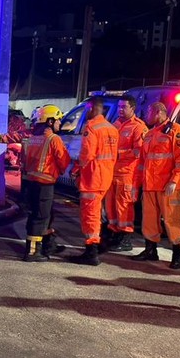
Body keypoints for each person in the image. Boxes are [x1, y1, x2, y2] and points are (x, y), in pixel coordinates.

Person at [0, 106, 71, 261]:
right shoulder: (53, 139)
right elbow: (63, 161)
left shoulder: (30, 136)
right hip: (45, 184)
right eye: (58, 119)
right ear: (49, 121)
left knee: (42, 215)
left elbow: (9, 138)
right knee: (40, 217)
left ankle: (47, 245)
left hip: (30, 183)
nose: (60, 122)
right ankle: (33, 251)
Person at [132, 102, 180, 269]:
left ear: (158, 112)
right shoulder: (150, 134)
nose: (146, 115)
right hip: (150, 186)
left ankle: (177, 254)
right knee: (149, 220)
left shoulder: (176, 132)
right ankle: (151, 250)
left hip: (167, 186)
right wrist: (139, 184)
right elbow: (143, 163)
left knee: (172, 220)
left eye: (148, 111)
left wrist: (174, 180)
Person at [68, 96, 119, 266]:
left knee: (90, 214)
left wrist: (75, 171)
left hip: (92, 178)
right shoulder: (112, 129)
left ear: (91, 108)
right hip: (105, 177)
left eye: (87, 109)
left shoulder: (92, 128)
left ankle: (91, 252)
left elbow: (86, 155)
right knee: (97, 213)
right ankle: (99, 243)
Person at [104, 94, 147, 252]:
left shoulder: (138, 127)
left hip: (127, 174)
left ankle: (126, 238)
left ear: (132, 108)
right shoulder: (115, 125)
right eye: (119, 107)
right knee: (111, 207)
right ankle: (115, 234)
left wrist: (118, 154)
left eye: (124, 107)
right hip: (113, 172)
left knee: (124, 207)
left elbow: (138, 152)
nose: (120, 110)